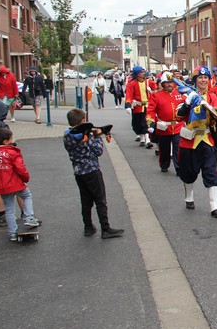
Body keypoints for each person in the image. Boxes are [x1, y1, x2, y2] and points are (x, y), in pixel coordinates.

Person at [63, 108, 124, 238]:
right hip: (92, 170)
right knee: (100, 200)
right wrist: (97, 136)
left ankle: (88, 227)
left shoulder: (67, 135)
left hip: (78, 172)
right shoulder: (87, 136)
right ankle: (105, 228)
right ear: (83, 121)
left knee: (85, 200)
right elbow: (98, 151)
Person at [175, 66, 217, 218]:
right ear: (195, 79)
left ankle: (214, 206)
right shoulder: (186, 94)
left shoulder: (212, 96)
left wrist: (211, 109)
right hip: (190, 140)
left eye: (206, 78)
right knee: (188, 172)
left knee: (211, 171)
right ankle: (189, 197)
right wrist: (187, 103)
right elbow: (178, 116)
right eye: (200, 78)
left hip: (207, 139)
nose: (203, 80)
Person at [0, 127, 39, 241]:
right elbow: (20, 168)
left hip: (1, 186)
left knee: (9, 208)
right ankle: (29, 218)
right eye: (11, 139)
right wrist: (25, 178)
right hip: (15, 183)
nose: (12, 140)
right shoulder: (12, 152)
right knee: (27, 196)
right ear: (6, 141)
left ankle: (12, 233)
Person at [147, 72, 184, 174]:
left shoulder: (180, 94)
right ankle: (164, 164)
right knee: (164, 149)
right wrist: (150, 123)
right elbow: (150, 111)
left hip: (178, 126)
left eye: (171, 82)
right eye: (167, 82)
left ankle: (179, 168)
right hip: (164, 127)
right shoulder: (156, 96)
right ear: (163, 84)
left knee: (178, 148)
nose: (169, 84)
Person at [125, 65, 153, 149]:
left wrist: (151, 91)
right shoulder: (132, 84)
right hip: (137, 107)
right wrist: (128, 105)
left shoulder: (148, 82)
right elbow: (129, 95)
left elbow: (158, 88)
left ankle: (148, 140)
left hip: (147, 106)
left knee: (146, 122)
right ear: (137, 74)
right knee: (137, 123)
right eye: (141, 72)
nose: (143, 73)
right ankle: (142, 138)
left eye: (143, 72)